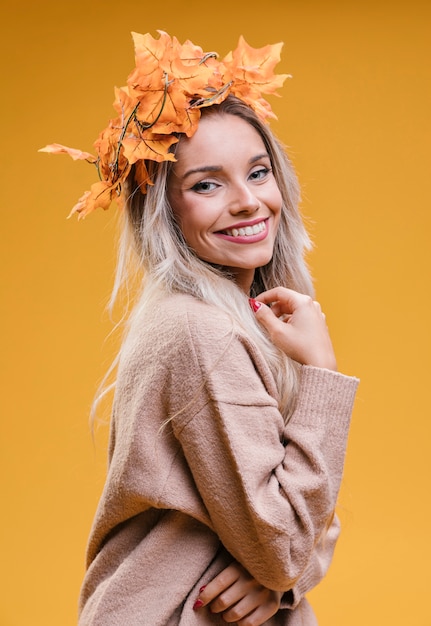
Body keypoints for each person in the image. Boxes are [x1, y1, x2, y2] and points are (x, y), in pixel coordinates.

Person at [41, 31, 359, 625]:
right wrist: (322, 378)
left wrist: (279, 583)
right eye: (207, 184)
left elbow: (313, 519)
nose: (247, 202)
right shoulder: (200, 334)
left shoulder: (235, 320)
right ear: (165, 208)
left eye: (258, 172)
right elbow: (289, 542)